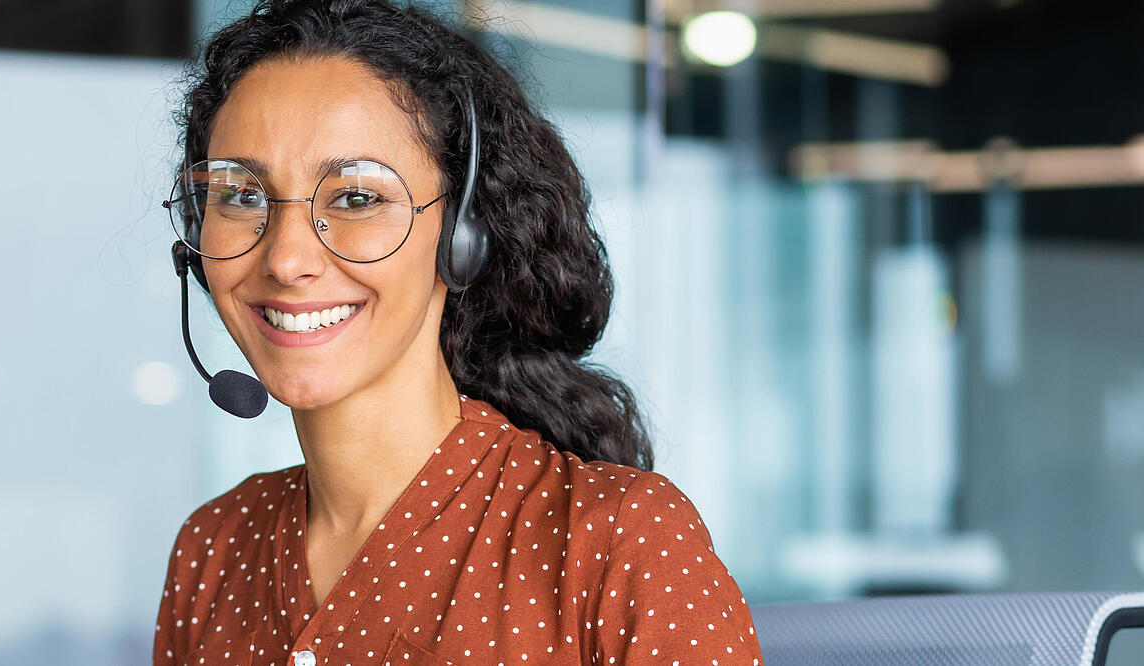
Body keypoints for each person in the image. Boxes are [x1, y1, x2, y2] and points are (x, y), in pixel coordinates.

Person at [151, 1, 764, 664]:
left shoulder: (619, 542)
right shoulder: (213, 547)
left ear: (461, 234)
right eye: (240, 196)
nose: (285, 258)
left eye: (356, 198)